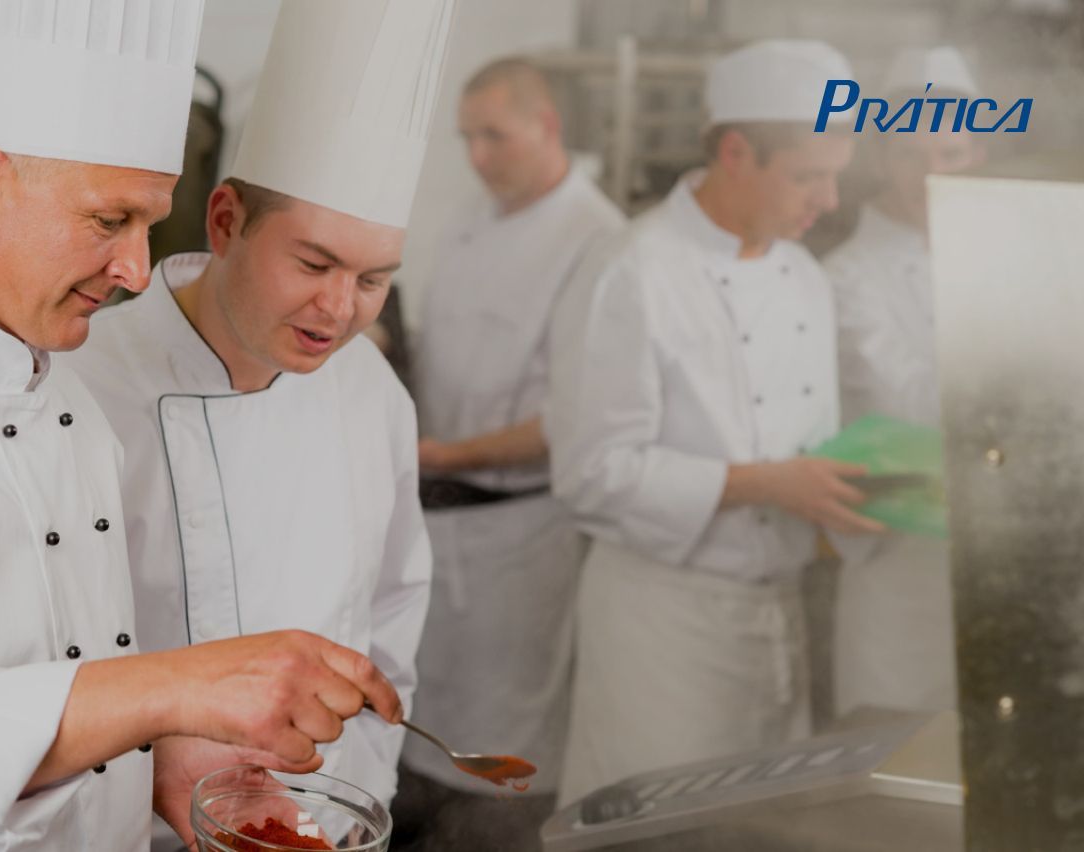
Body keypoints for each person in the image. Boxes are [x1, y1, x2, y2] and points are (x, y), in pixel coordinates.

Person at [0, 3, 404, 849]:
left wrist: (151, 759)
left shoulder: (66, 398)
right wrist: (167, 688)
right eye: (108, 220)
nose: (134, 269)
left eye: (150, 226)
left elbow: (46, 688)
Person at [61, 2, 456, 848]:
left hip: (317, 823)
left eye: (373, 279)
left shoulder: (370, 392)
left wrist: (354, 811)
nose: (338, 310)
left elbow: (390, 623)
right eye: (314, 264)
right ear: (226, 220)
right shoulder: (80, 385)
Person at [546, 39, 883, 805]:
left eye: (837, 176)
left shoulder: (805, 276)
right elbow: (589, 474)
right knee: (656, 826)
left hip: (780, 617)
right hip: (665, 625)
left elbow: (807, 450)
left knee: (762, 829)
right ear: (736, 151)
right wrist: (767, 483)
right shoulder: (631, 270)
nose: (830, 202)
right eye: (810, 177)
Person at [393, 57, 625, 850]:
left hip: (521, 535)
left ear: (548, 125)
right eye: (467, 137)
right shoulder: (473, 215)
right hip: (442, 515)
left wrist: (440, 451)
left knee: (509, 744)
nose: (478, 155)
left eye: (495, 135)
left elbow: (572, 418)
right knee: (428, 715)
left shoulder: (595, 240)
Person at [824, 47, 985, 717]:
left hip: (1005, 563)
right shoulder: (844, 277)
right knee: (892, 765)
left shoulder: (1013, 258)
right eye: (913, 155)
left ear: (977, 155)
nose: (931, 175)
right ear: (882, 156)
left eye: (950, 156)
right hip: (897, 570)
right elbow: (909, 407)